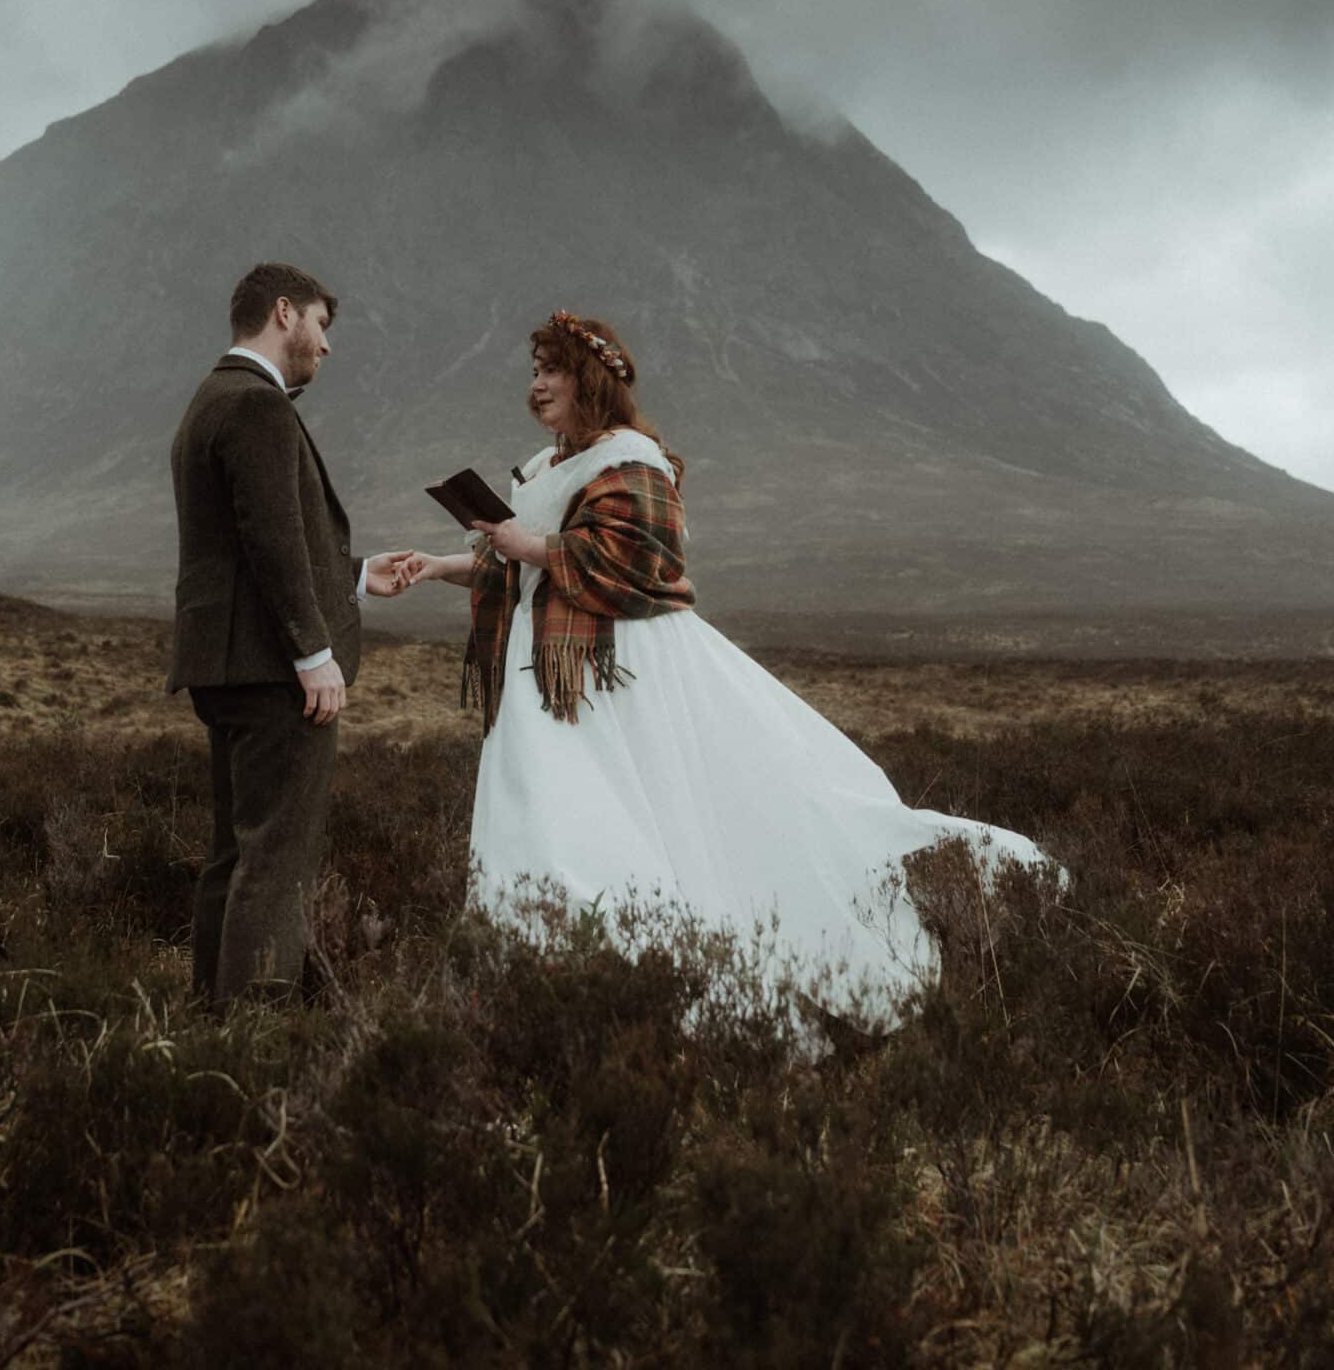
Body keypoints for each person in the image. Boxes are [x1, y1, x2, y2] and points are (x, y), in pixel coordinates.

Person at [408, 310, 1059, 1025]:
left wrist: (526, 544)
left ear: (590, 379)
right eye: (534, 372)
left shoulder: (630, 460)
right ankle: (539, 983)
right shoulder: (544, 466)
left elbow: (638, 562)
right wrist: (436, 565)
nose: (538, 386)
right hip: (547, 673)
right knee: (545, 810)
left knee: (616, 812)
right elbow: (518, 562)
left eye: (553, 370)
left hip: (614, 671)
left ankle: (619, 980)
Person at [168, 262, 427, 1006]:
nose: (326, 345)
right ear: (285, 313)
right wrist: (314, 655)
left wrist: (352, 575)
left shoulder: (209, 399)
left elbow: (252, 541)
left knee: (235, 854)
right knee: (276, 861)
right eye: (321, 324)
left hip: (226, 667)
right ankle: (255, 1033)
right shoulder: (257, 407)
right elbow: (273, 544)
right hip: (273, 671)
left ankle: (210, 1017)